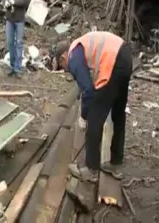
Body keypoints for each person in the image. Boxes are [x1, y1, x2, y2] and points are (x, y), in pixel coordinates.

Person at [54, 31, 132, 183]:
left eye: (62, 66)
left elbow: (88, 92)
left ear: (63, 57)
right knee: (118, 115)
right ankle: (116, 165)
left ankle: (91, 169)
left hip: (113, 60)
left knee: (94, 117)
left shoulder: (73, 56)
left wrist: (83, 117)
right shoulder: (82, 47)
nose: (65, 70)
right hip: (126, 56)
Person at [4, 0, 30, 78]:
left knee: (19, 43)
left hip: (19, 18)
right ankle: (12, 66)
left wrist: (14, 2)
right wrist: (5, 2)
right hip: (9, 18)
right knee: (10, 43)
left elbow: (26, 1)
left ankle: (18, 69)